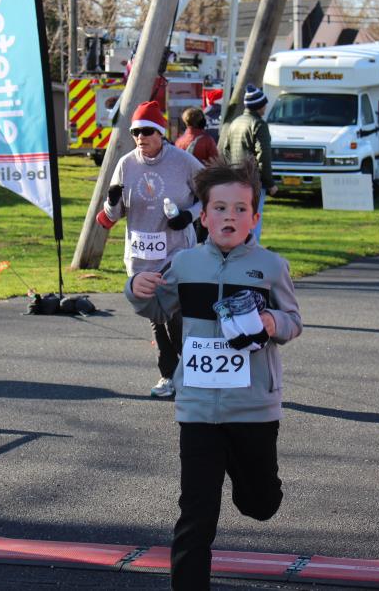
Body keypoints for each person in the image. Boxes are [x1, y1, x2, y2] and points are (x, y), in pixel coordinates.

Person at [126, 156, 302, 591]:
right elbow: (158, 307)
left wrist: (272, 322)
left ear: (254, 219)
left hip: (252, 409)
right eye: (220, 208)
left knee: (260, 504)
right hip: (198, 409)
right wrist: (136, 289)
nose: (230, 216)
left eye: (241, 209)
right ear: (203, 217)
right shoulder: (186, 265)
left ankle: (251, 486)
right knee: (195, 515)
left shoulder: (271, 267)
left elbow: (294, 321)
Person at [97, 101, 204, 398]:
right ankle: (169, 375)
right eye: (135, 132)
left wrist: (189, 216)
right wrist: (112, 201)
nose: (140, 138)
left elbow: (209, 196)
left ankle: (190, 371)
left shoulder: (183, 162)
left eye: (146, 131)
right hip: (141, 256)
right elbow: (113, 215)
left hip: (176, 253)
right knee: (156, 317)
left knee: (176, 314)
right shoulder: (126, 164)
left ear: (160, 133)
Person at [223, 85, 277, 241]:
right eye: (264, 104)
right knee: (253, 220)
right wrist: (269, 183)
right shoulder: (259, 124)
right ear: (259, 106)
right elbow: (263, 155)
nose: (266, 107)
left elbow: (226, 151)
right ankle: (251, 252)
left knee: (238, 218)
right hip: (253, 181)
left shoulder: (235, 122)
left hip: (235, 179)